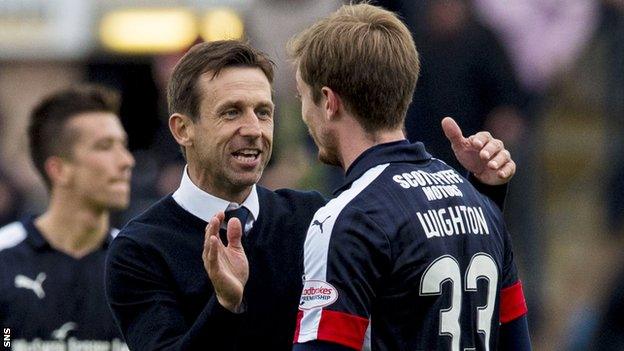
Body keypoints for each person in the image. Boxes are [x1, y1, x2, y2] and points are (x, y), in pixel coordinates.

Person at [105, 40, 517, 350]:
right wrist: (225, 306)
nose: (253, 129)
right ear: (182, 129)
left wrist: (479, 196)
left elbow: (429, 282)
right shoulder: (140, 249)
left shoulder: (315, 215)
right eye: (231, 112)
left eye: (263, 112)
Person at [288, 4, 530, 350]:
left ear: (328, 101)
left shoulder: (346, 219)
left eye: (303, 98)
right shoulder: (481, 205)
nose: (303, 114)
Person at [0, 85, 134, 350]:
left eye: (124, 145)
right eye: (105, 146)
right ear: (59, 170)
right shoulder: (4, 257)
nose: (126, 161)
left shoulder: (139, 262)